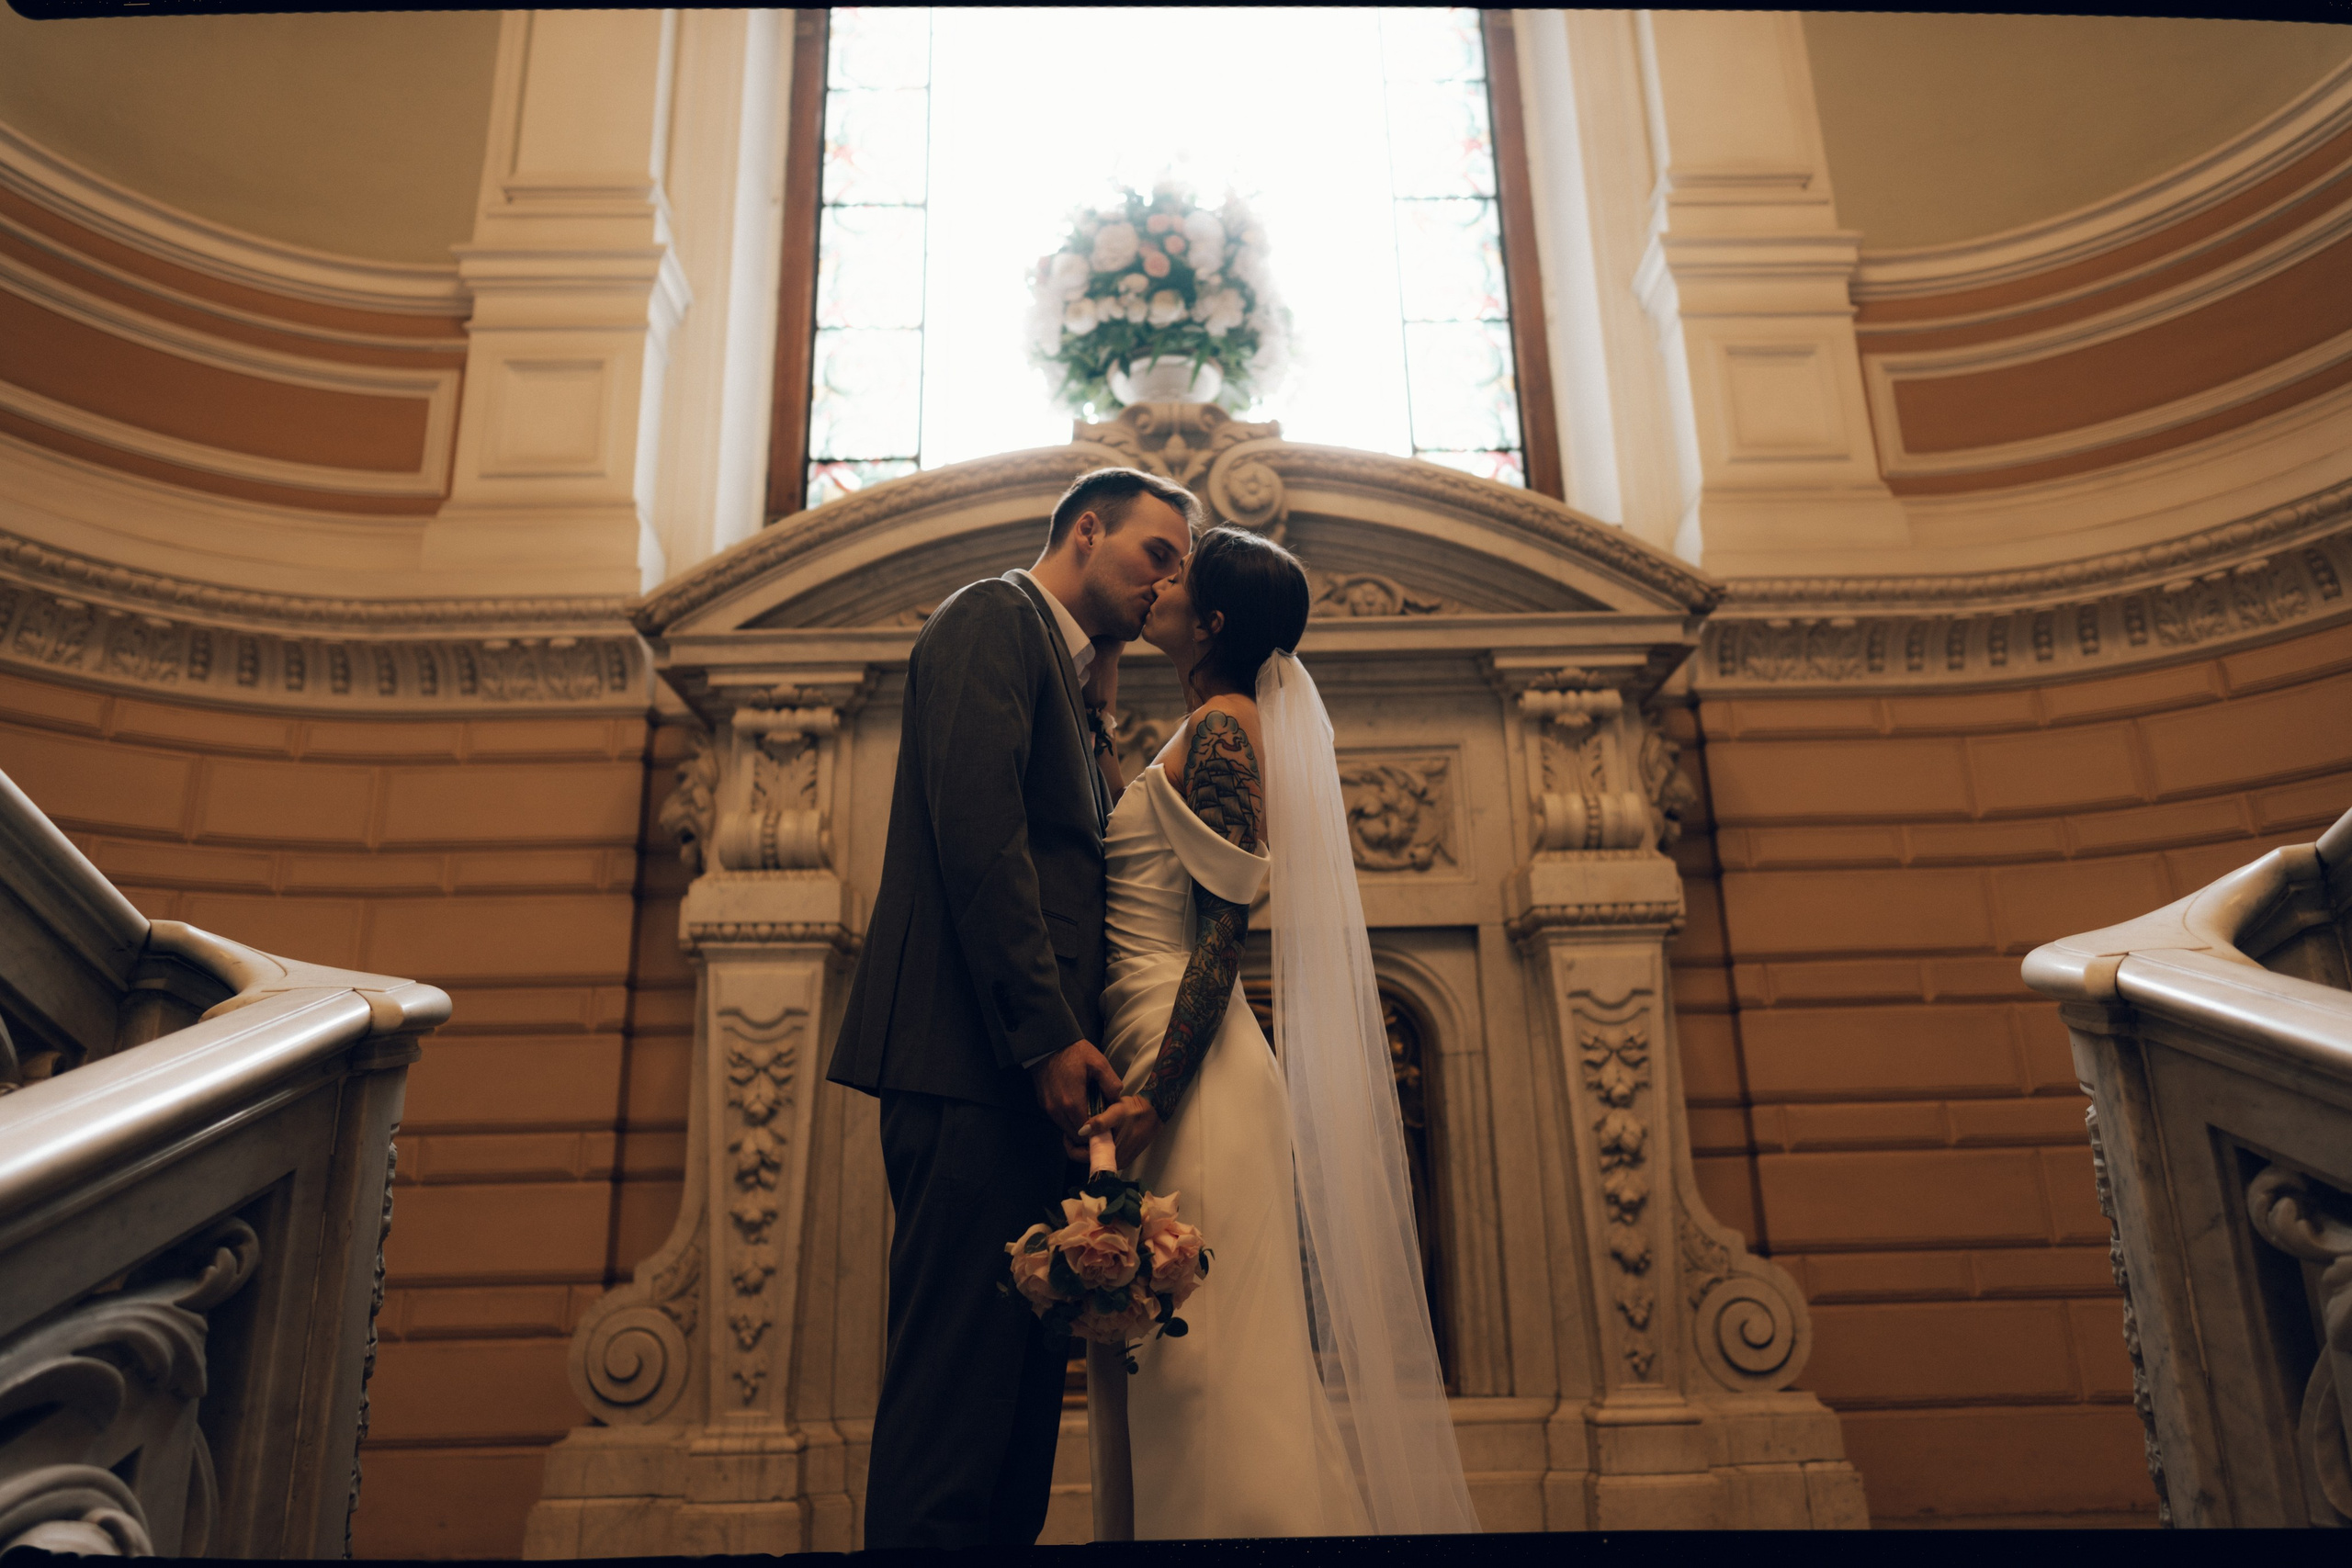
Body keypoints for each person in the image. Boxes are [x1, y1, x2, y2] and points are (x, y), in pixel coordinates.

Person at [1077, 526, 1481, 1540]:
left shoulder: (1221, 730)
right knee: (1168, 1351)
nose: (1159, 584)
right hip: (1154, 1036)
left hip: (1192, 1066)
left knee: (1202, 1361)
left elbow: (1223, 938)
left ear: (1209, 622)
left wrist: (1154, 1094)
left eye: (1178, 578)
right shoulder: (1198, 723)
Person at [824, 466, 1195, 1549]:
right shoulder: (990, 618)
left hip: (1025, 1079)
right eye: (1154, 555)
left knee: (1021, 1399)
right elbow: (981, 842)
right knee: (956, 1392)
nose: (1165, 587)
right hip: (971, 1062)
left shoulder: (1076, 682)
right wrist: (1044, 1033)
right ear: (1086, 531)